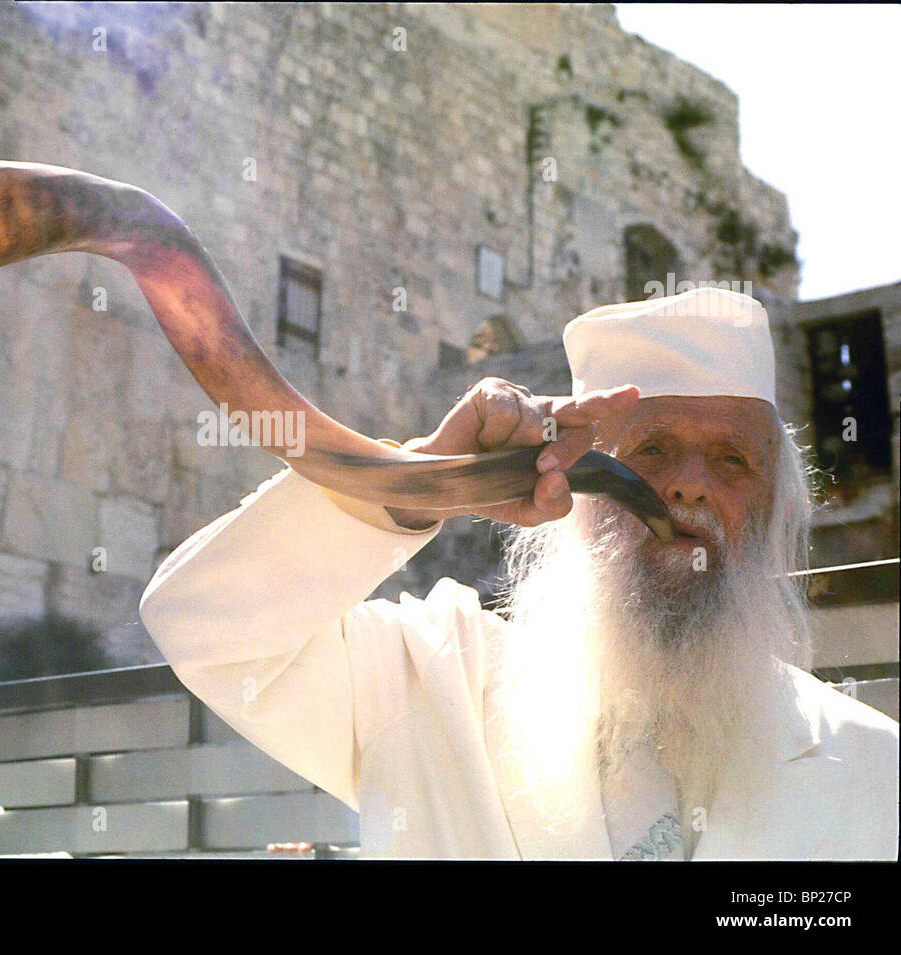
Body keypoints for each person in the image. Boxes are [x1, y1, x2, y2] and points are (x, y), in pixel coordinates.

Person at [139, 287, 898, 860]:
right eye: (653, 450)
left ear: (775, 510)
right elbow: (205, 628)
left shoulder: (875, 770)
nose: (690, 485)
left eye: (732, 460)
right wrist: (424, 479)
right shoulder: (437, 682)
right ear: (580, 489)